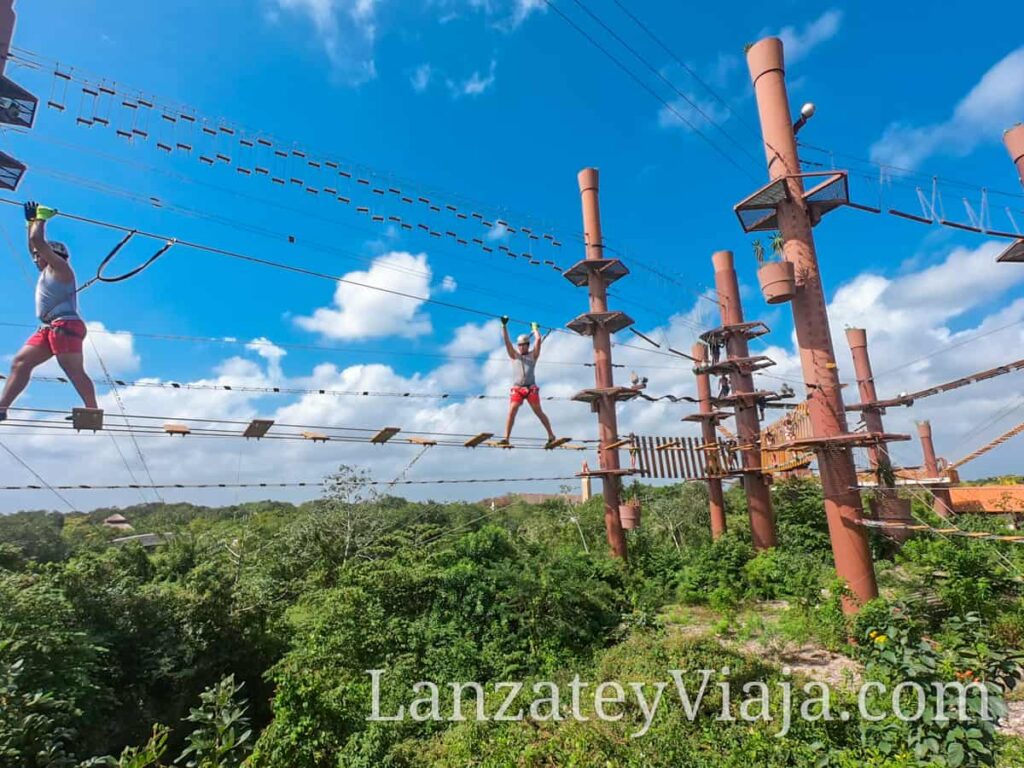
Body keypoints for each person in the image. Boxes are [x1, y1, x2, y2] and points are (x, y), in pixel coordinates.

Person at [0, 201, 97, 422]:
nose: (35, 257)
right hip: (50, 327)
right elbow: (33, 245)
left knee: (72, 369)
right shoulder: (46, 271)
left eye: (39, 254)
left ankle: (91, 412)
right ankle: (2, 407)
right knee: (21, 362)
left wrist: (40, 218)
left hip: (65, 326)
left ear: (53, 254)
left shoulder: (61, 269)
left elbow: (37, 241)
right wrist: (29, 223)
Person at [501, 316, 557, 446]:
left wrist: (535, 329)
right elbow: (507, 342)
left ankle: (551, 434)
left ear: (527, 345)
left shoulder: (533, 355)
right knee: (512, 410)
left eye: (523, 345)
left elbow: (538, 340)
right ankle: (506, 438)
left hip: (531, 388)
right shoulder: (514, 356)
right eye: (519, 345)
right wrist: (504, 327)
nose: (521, 347)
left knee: (538, 412)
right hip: (518, 388)